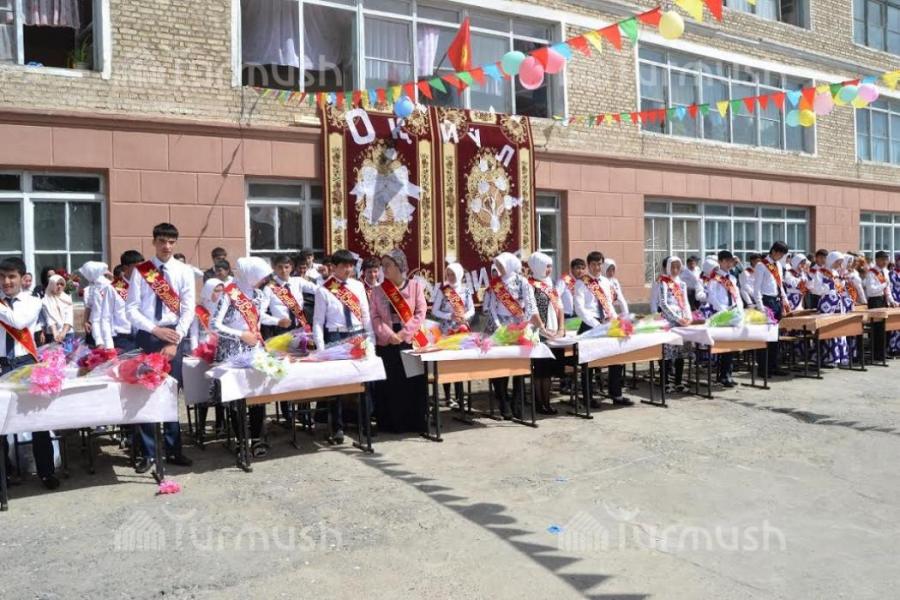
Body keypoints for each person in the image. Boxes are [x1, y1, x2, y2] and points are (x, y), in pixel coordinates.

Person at [125, 223, 194, 473]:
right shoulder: (142, 271)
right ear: (154, 241)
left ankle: (173, 449)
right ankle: (148, 452)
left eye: (171, 242)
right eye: (162, 241)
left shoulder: (184, 271)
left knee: (170, 393)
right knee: (145, 393)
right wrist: (155, 330)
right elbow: (131, 309)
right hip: (148, 336)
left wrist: (175, 340)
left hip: (174, 336)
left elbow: (188, 309)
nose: (167, 246)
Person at [0, 257, 60, 490]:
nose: (6, 282)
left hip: (25, 363)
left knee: (37, 420)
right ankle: (4, 474)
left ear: (22, 278)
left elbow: (17, 321)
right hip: (2, 364)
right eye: (2, 277)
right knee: (1, 422)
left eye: (11, 276)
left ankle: (46, 472)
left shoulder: (33, 301)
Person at [212, 257, 279, 464]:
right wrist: (240, 334)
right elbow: (214, 325)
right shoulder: (228, 294)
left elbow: (258, 319)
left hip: (254, 350)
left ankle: (257, 438)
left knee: (256, 395)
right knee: (237, 398)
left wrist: (276, 322)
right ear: (249, 275)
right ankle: (241, 441)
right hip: (232, 352)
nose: (263, 281)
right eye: (260, 277)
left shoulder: (258, 295)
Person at [313, 249, 373, 443]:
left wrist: (370, 340)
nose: (348, 269)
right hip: (336, 335)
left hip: (357, 334)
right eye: (344, 266)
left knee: (362, 379)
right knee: (337, 382)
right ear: (333, 267)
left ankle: (364, 423)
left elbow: (365, 315)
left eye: (350, 266)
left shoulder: (358, 286)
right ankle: (337, 426)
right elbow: (318, 321)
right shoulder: (323, 289)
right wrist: (321, 349)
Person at [370, 250, 428, 433]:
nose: (384, 269)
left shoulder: (415, 286)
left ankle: (416, 421)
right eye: (383, 266)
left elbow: (420, 313)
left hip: (410, 340)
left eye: (388, 265)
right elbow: (375, 317)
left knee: (413, 380)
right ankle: (392, 423)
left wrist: (403, 334)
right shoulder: (378, 290)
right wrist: (389, 335)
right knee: (390, 382)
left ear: (399, 265)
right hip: (387, 341)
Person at [263, 254, 317, 422]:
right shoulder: (269, 288)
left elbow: (320, 290)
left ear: (292, 268)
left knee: (303, 371)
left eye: (286, 267)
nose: (283, 270)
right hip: (281, 331)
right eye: (280, 267)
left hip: (301, 330)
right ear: (274, 268)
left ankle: (304, 412)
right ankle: (287, 412)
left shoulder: (298, 282)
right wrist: (276, 320)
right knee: (285, 371)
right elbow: (260, 314)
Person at [483, 252, 537, 418]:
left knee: (519, 366)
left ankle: (518, 404)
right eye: (497, 264)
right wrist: (499, 326)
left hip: (519, 326)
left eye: (501, 264)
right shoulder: (495, 283)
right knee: (501, 366)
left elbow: (530, 305)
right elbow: (492, 307)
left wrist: (523, 325)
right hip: (500, 327)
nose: (499, 267)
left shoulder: (522, 281)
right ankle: (503, 402)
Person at [574, 251, 631, 406]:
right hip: (590, 325)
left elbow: (609, 305)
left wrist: (616, 320)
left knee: (616, 358)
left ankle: (616, 394)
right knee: (589, 363)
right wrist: (596, 325)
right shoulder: (581, 283)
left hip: (607, 324)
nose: (597, 267)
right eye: (593, 264)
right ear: (588, 265)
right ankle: (588, 397)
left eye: (599, 264)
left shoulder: (606, 282)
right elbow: (580, 309)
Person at [432, 262, 475, 408]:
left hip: (461, 329)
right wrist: (449, 316)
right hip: (446, 331)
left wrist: (464, 316)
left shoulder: (466, 290)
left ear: (459, 275)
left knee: (459, 363)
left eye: (453, 274)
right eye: (448, 274)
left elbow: (472, 309)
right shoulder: (443, 290)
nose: (450, 277)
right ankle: (447, 396)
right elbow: (435, 311)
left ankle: (460, 396)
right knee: (447, 363)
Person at [527, 252, 565, 415]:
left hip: (553, 333)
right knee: (539, 370)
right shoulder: (529, 285)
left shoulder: (550, 284)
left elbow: (560, 307)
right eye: (546, 266)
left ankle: (547, 402)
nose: (549, 269)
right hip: (538, 333)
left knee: (548, 370)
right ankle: (539, 403)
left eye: (550, 266)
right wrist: (543, 329)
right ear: (537, 266)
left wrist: (561, 329)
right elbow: (532, 310)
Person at [192, 277, 225, 438]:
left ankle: (220, 425)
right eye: (216, 290)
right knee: (203, 391)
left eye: (221, 291)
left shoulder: (224, 307)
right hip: (203, 352)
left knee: (220, 390)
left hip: (220, 351)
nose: (219, 294)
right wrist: (195, 350)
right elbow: (193, 332)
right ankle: (201, 427)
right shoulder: (199, 310)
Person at [753, 242, 791, 378]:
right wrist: (760, 306)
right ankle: (763, 368)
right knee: (765, 336)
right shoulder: (761, 265)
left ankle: (774, 365)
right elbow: (756, 288)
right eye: (780, 253)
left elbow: (780, 285)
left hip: (776, 300)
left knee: (775, 336)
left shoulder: (778, 265)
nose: (781, 256)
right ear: (773, 251)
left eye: (783, 254)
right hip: (766, 301)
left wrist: (785, 300)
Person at [809, 251, 852, 368]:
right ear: (832, 261)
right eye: (838, 262)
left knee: (837, 330)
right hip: (826, 304)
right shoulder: (820, 272)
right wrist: (829, 287)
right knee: (826, 329)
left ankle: (837, 357)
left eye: (841, 262)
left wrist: (842, 286)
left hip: (837, 304)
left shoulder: (836, 273)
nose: (840, 264)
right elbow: (816, 290)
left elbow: (840, 289)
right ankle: (825, 358)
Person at [656, 256, 693, 393]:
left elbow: (686, 302)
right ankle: (665, 382)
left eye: (678, 267)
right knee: (667, 353)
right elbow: (663, 303)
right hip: (669, 321)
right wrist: (677, 318)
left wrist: (688, 317)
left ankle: (678, 381)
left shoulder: (682, 284)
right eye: (673, 267)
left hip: (682, 321)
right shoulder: (663, 282)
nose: (675, 270)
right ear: (668, 268)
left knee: (680, 353)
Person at [707, 251, 743, 387]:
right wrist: (724, 311)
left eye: (731, 261)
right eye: (726, 261)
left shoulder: (732, 278)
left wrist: (739, 309)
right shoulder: (714, 278)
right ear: (720, 262)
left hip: (733, 314)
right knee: (723, 346)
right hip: (721, 314)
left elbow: (737, 296)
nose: (729, 264)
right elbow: (712, 297)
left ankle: (728, 374)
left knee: (731, 346)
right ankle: (723, 375)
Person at [863, 251, 896, 362]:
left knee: (885, 328)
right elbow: (871, 291)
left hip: (883, 300)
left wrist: (892, 301)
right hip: (875, 301)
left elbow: (887, 289)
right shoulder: (872, 272)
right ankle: (876, 354)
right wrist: (884, 284)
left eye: (886, 260)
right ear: (877, 260)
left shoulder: (885, 272)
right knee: (878, 329)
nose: (885, 262)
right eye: (882, 259)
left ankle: (883, 352)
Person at [79, 262, 116, 350]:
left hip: (109, 328)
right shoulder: (93, 287)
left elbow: (97, 315)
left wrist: (99, 341)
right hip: (100, 327)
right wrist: (86, 321)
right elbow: (89, 306)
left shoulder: (104, 286)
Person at [41, 274, 74, 350]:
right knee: (54, 356)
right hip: (52, 334)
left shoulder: (67, 298)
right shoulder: (45, 300)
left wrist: (63, 333)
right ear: (51, 285)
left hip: (67, 333)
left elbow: (69, 316)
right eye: (57, 284)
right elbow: (49, 318)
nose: (59, 286)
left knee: (69, 355)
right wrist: (55, 333)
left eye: (61, 284)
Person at [890, 253, 900, 357]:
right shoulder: (893, 273)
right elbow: (891, 288)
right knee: (895, 326)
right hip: (897, 301)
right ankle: (894, 348)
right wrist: (893, 300)